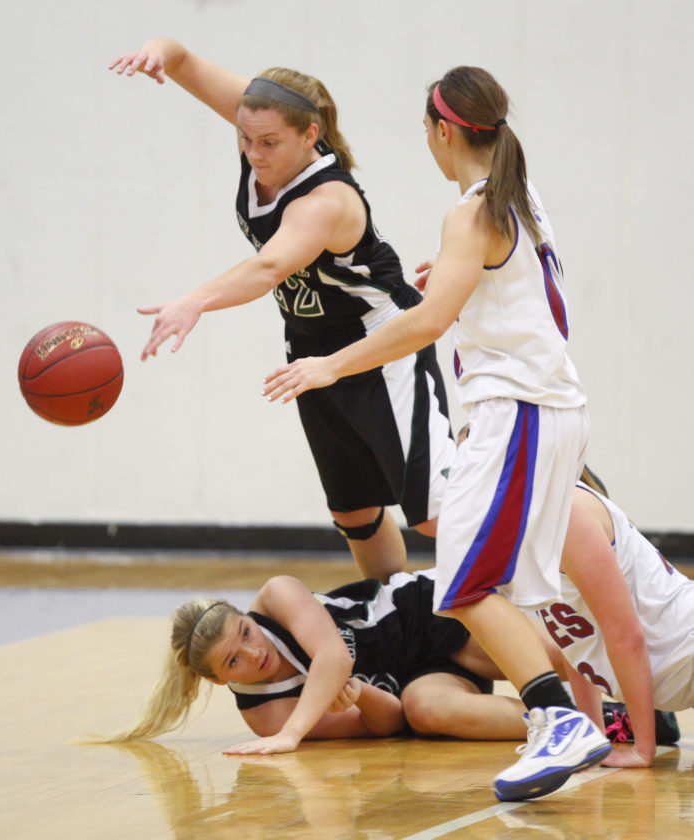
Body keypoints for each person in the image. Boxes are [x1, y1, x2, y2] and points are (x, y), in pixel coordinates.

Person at [262, 65, 612, 800]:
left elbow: (424, 324)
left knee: (465, 580)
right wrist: (461, 279)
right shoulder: (516, 195)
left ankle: (564, 719)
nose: (425, 141)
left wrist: (330, 365)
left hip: (516, 412)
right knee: (501, 578)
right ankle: (587, 706)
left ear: (445, 132)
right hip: (542, 410)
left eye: (426, 129)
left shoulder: (470, 212)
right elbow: (504, 284)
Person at [108, 39, 458, 582]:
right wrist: (159, 51)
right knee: (354, 511)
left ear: (309, 134)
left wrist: (194, 301)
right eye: (244, 138)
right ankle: (391, 612)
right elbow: (183, 61)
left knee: (436, 515)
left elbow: (269, 267)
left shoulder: (328, 200)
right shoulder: (262, 119)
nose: (254, 152)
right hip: (311, 351)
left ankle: (560, 513)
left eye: (269, 142)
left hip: (379, 346)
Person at [95, 568, 534, 753]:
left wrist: (293, 734)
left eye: (246, 632)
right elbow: (391, 722)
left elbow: (333, 656)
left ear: (246, 615)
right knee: (426, 712)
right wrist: (363, 697)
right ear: (217, 680)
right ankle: (573, 721)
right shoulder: (266, 714)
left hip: (424, 612)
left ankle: (570, 687)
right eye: (234, 661)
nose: (254, 652)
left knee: (546, 661)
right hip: (420, 682)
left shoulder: (277, 595)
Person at [538, 475, 691, 768]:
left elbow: (627, 636)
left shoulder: (567, 513)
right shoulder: (532, 525)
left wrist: (643, 749)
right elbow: (574, 643)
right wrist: (594, 740)